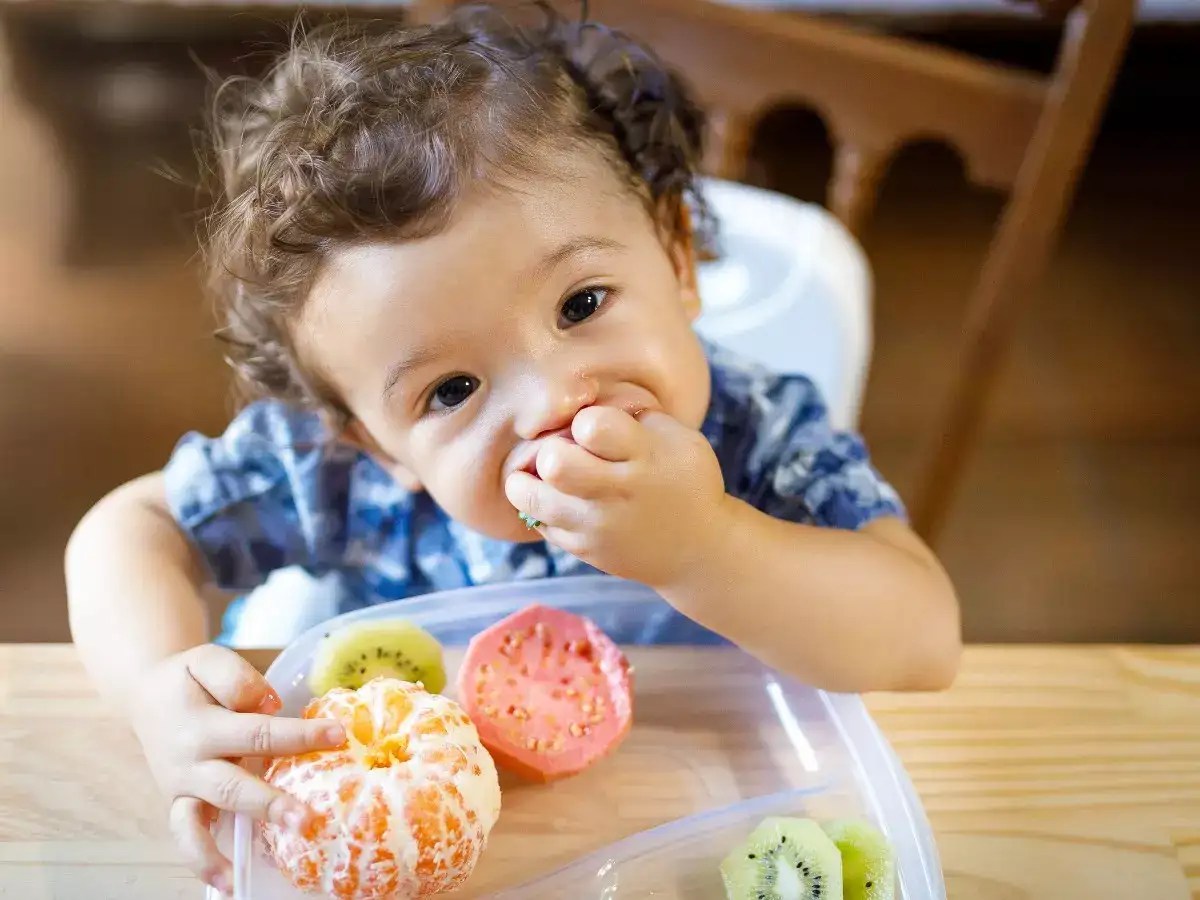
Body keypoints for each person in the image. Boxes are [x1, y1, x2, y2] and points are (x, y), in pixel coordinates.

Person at [65, 4, 961, 893]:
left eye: (582, 304)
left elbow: (924, 637)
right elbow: (133, 528)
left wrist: (710, 545)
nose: (551, 402)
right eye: (451, 391)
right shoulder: (345, 478)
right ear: (372, 443)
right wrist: (154, 687)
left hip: (688, 807)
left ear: (678, 258)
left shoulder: (761, 437)